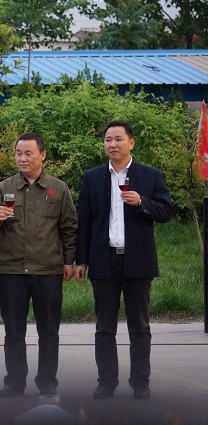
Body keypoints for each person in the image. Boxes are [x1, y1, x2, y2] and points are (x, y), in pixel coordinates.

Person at [75, 120, 174, 400]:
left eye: (118, 139)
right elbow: (85, 222)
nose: (113, 144)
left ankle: (140, 382)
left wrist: (141, 201)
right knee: (104, 328)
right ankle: (106, 382)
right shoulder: (92, 177)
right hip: (104, 260)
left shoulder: (150, 175)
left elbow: (167, 211)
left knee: (139, 327)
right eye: (108, 139)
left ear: (131, 143)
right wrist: (81, 260)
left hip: (137, 261)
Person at [0, 132, 77, 398]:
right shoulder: (4, 187)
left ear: (42, 155)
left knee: (49, 332)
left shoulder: (58, 188)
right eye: (18, 153)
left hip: (48, 271)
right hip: (11, 272)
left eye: (28, 153)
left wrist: (69, 261)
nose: (22, 159)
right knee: (13, 332)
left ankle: (47, 382)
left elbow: (69, 228)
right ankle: (14, 382)